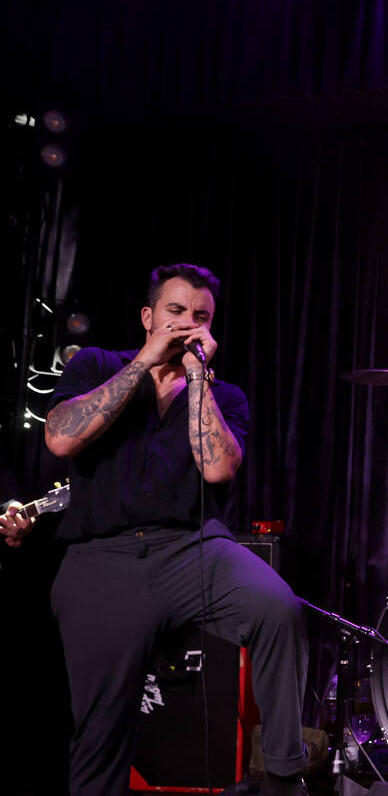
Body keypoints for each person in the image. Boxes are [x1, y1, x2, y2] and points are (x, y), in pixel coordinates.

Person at [4, 263, 310, 795]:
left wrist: (195, 377)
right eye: (175, 311)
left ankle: (284, 776)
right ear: (148, 317)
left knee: (277, 607)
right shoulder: (97, 364)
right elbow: (59, 439)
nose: (187, 324)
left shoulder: (223, 395)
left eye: (201, 316)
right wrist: (145, 364)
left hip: (193, 552)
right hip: (102, 558)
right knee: (99, 735)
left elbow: (217, 469)